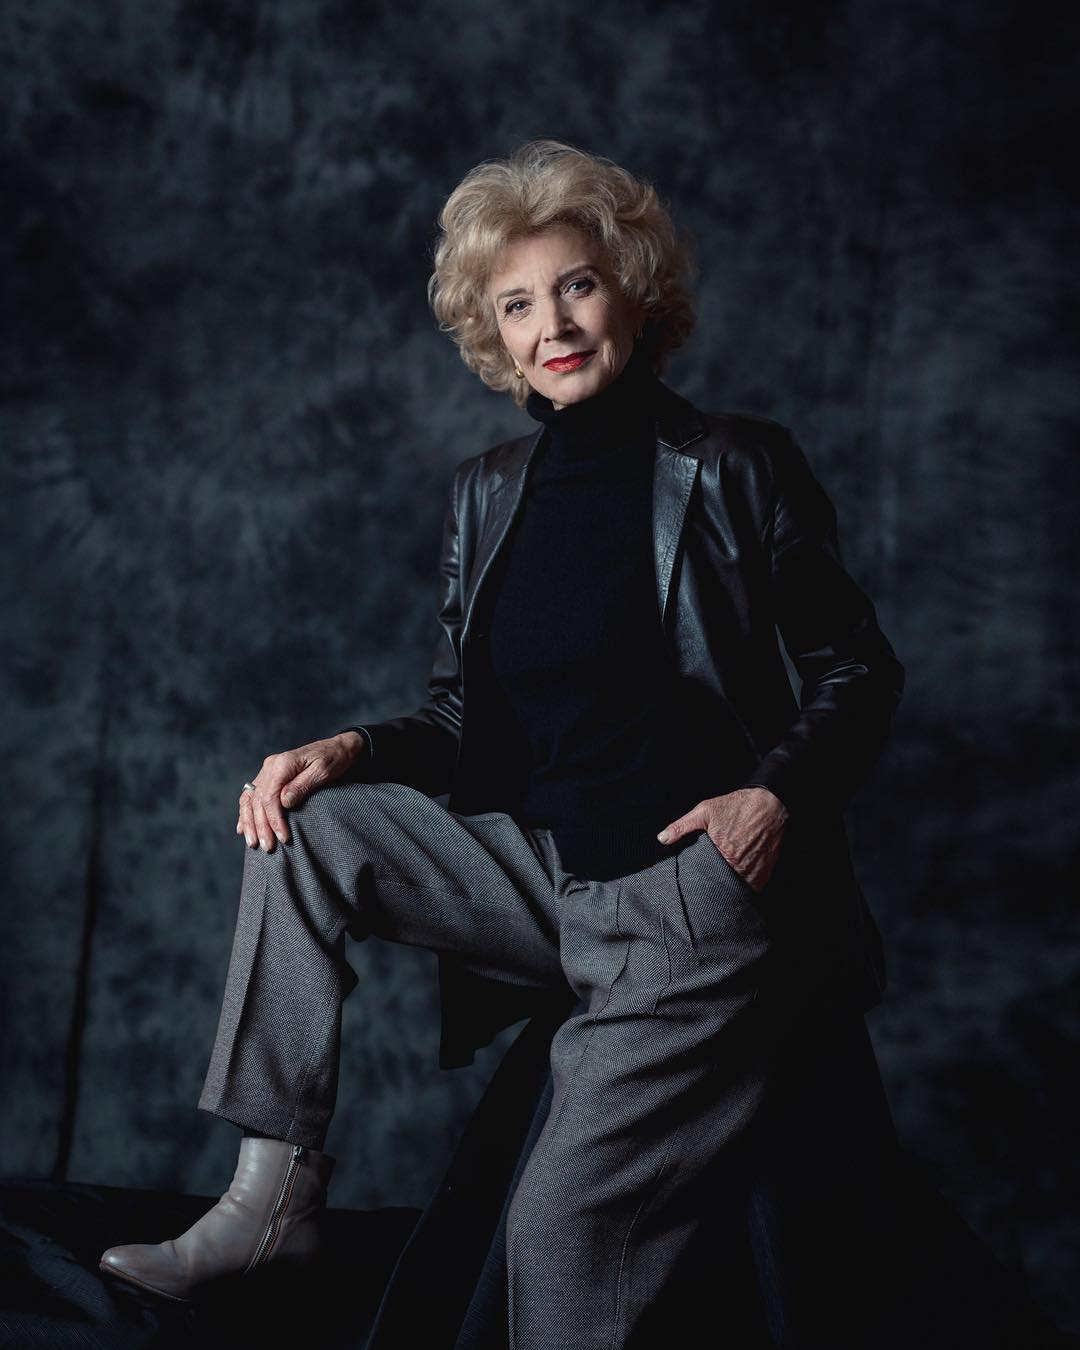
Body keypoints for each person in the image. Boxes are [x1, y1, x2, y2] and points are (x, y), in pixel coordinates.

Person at [100, 140, 905, 1348]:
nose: (554, 325)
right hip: (543, 876)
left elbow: (859, 668)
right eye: (518, 304)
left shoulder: (738, 464)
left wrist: (770, 798)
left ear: (634, 292)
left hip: (685, 902)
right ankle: (272, 1194)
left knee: (558, 1240)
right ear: (494, 333)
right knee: (307, 826)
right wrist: (349, 748)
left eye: (577, 285)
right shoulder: (488, 491)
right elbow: (462, 722)